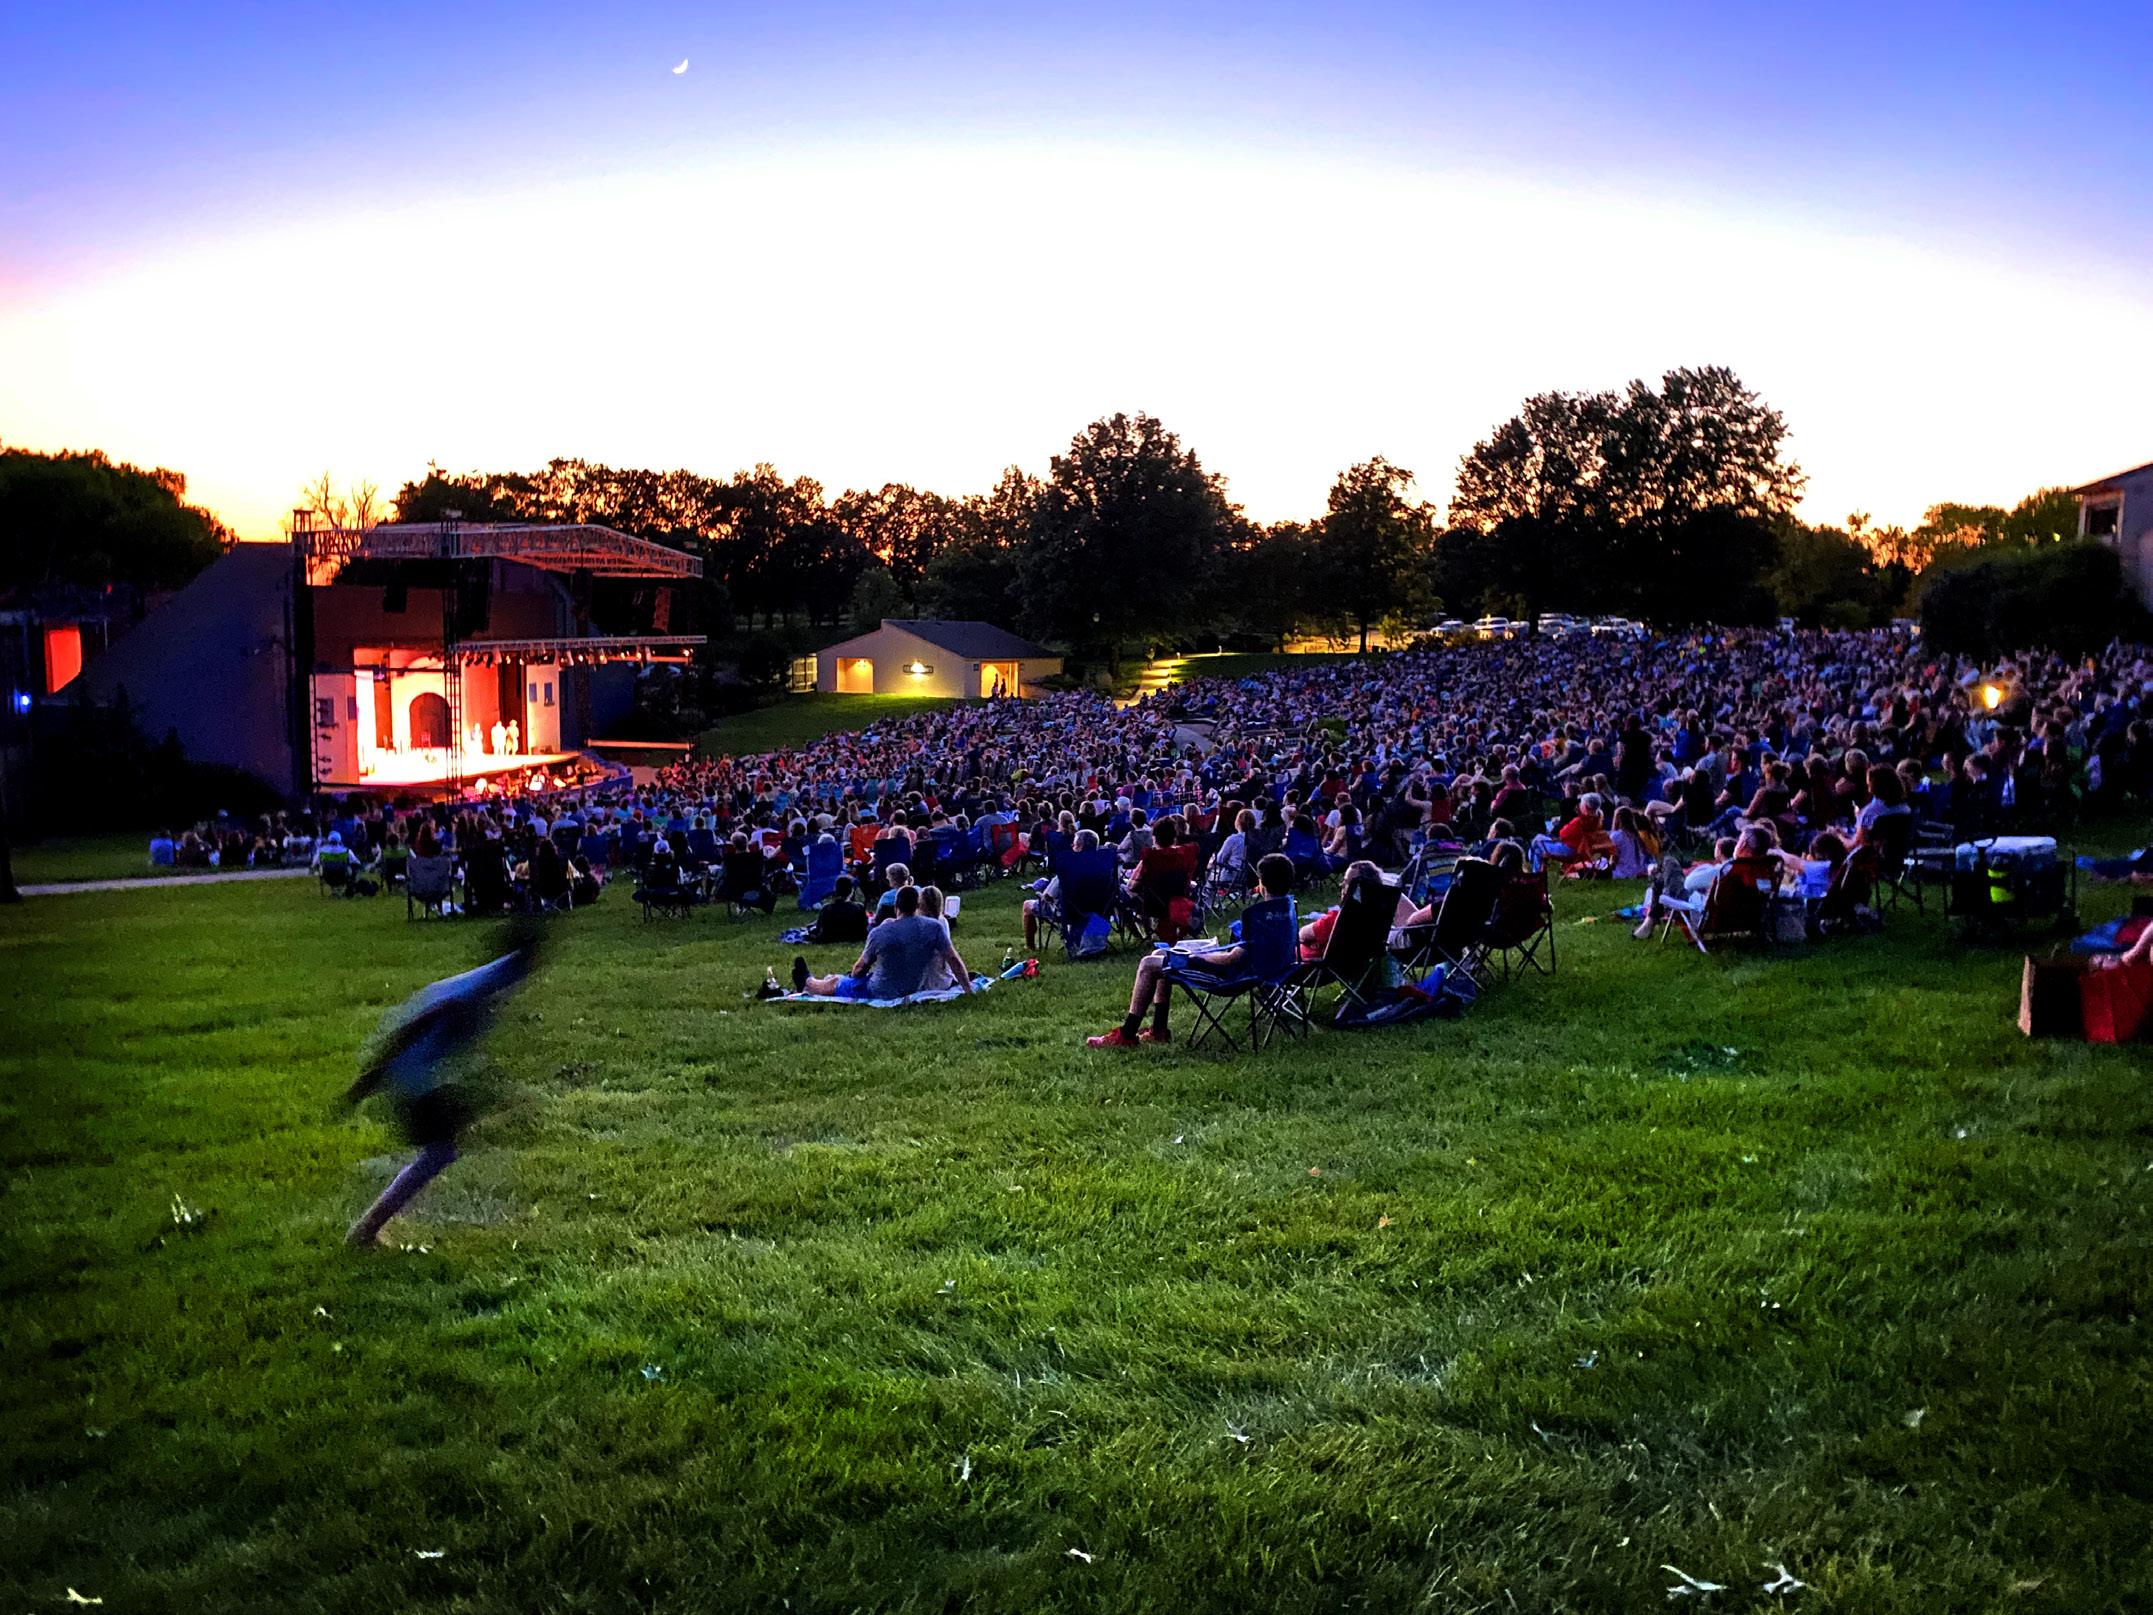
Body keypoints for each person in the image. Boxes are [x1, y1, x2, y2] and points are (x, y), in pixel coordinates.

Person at [344, 918, 546, 1247]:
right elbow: (433, 1016)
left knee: (444, 1147)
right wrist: (373, 1074)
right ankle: (366, 1231)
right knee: (439, 1153)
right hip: (414, 1073)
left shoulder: (501, 972)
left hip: (420, 1070)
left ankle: (367, 1229)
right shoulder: (496, 979)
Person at [1086, 852, 1295, 1048]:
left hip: (1235, 976)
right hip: (1265, 969)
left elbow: (1232, 958)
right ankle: (1158, 1030)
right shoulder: (1286, 908)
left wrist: (1197, 957)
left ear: (1261, 883)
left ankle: (1127, 1034)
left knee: (1148, 964)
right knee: (1161, 954)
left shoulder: (1257, 916)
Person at [793, 883, 974, 999]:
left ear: (896, 906)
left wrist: (854, 978)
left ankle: (808, 983)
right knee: (842, 979)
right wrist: (968, 990)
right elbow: (954, 960)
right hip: (914, 985)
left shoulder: (881, 932)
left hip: (881, 990)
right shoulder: (934, 927)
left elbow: (859, 968)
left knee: (837, 982)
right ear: (917, 906)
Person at [807, 874, 870, 945]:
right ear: (851, 891)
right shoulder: (859, 907)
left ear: (836, 890)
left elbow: (818, 929)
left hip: (829, 938)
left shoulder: (827, 909)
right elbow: (864, 927)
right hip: (854, 937)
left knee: (811, 926)